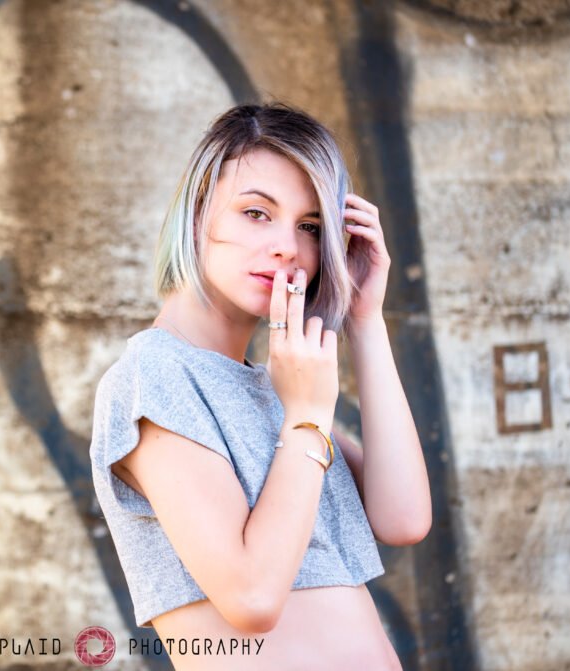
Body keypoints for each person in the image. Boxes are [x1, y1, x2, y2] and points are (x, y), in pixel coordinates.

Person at [89, 103, 432, 670]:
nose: (287, 247)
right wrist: (305, 418)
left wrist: (365, 320)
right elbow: (251, 598)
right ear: (198, 212)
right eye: (256, 213)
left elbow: (404, 519)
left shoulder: (278, 391)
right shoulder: (156, 375)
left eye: (310, 227)